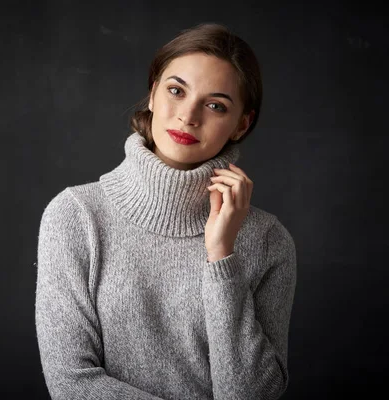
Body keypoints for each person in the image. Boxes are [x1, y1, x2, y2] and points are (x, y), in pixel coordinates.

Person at [35, 22, 297, 400]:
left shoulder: (269, 241)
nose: (188, 116)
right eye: (176, 90)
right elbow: (71, 383)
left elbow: (250, 395)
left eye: (215, 105)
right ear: (153, 93)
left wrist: (221, 256)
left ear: (242, 124)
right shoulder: (75, 216)